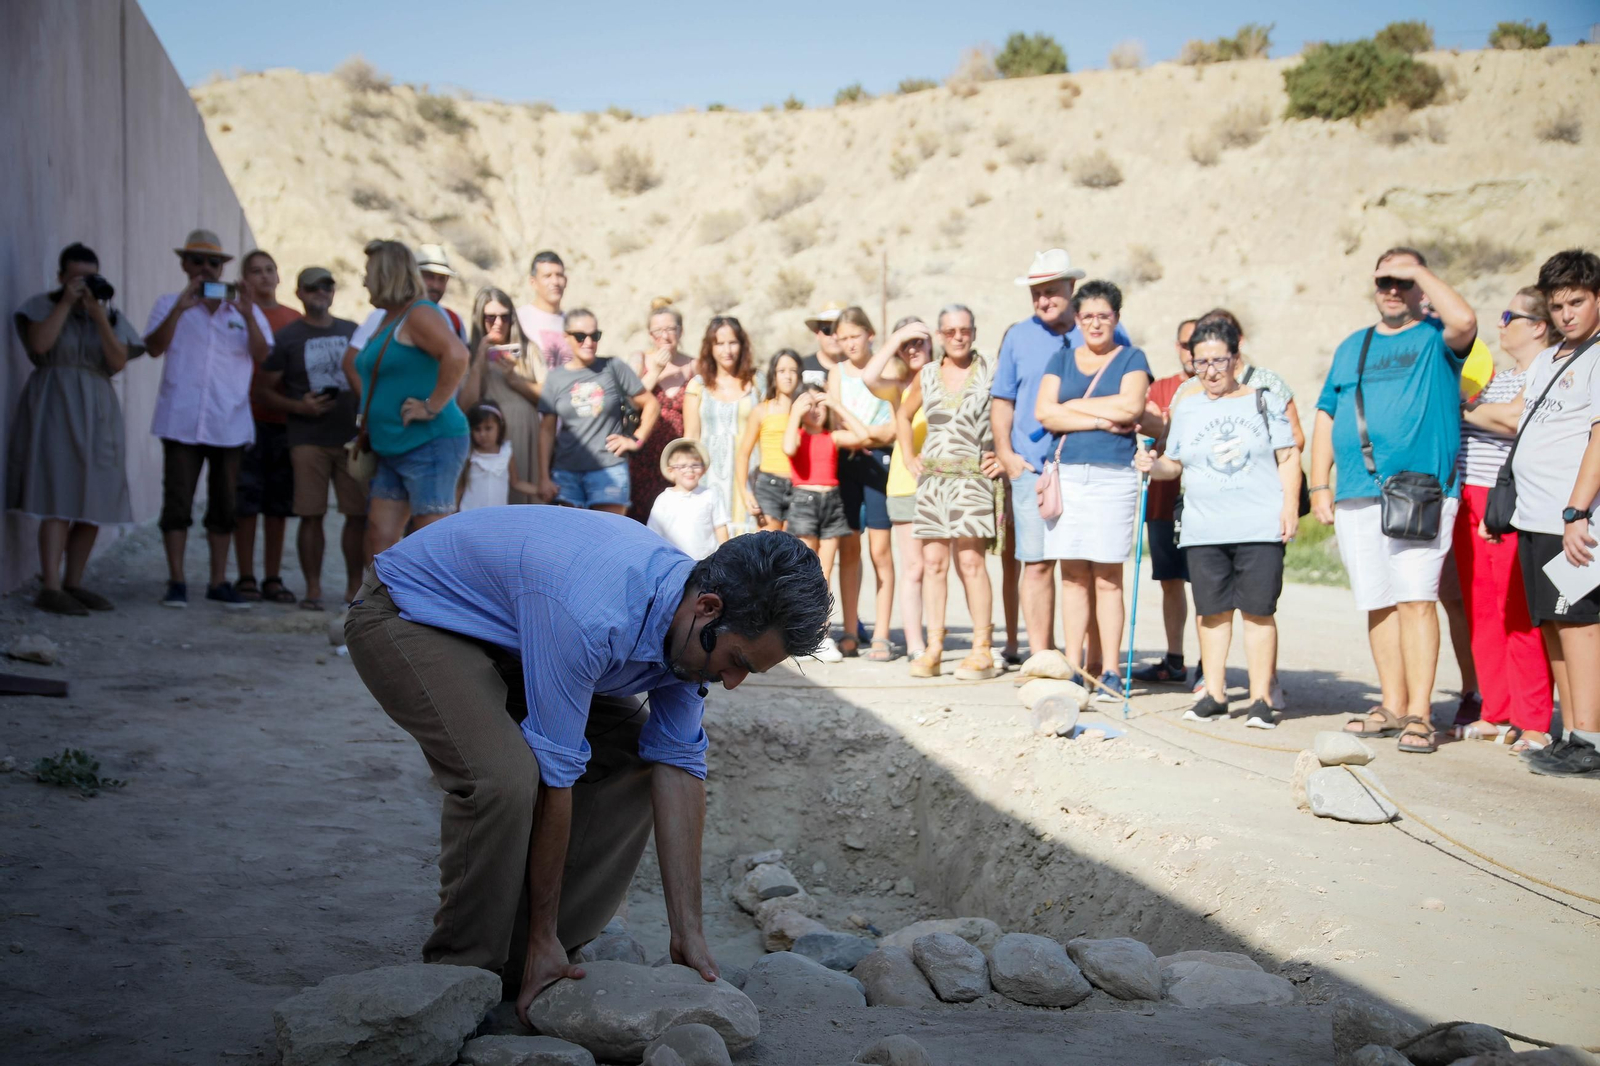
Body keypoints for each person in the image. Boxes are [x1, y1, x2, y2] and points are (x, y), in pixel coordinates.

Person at [343, 509, 830, 1016]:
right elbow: (555, 777)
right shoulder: (594, 612)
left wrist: (688, 933)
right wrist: (540, 933)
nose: (732, 682)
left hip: (517, 628)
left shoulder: (690, 624)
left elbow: (678, 765)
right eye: (738, 662)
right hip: (414, 614)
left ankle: (537, 958)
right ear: (708, 607)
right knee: (505, 779)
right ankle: (461, 975)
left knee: (633, 758)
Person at [1312, 248, 1477, 755]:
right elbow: (1327, 414)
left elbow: (1465, 320)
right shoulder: (1353, 346)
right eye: (1384, 279)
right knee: (1378, 601)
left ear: (1420, 287)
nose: (1392, 288)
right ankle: (1391, 703)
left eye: (1402, 281)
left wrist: (1420, 272)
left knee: (1416, 598)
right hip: (1358, 492)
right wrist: (1320, 484)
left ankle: (1420, 715)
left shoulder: (1435, 340)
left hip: (1419, 491)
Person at [1136, 317, 1300, 728]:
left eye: (1219, 361)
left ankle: (1261, 698)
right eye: (1200, 362)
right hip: (1203, 527)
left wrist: (1290, 507)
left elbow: (1289, 456)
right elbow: (1173, 465)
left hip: (1258, 525)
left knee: (1259, 611)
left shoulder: (1265, 400)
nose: (1210, 371)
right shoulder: (1186, 406)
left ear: (1236, 359)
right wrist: (1151, 465)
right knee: (1212, 613)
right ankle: (1214, 693)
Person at [992, 249, 1132, 664]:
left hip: (1090, 467)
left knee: (1088, 569)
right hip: (1034, 468)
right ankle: (1041, 658)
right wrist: (1007, 455)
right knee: (1036, 565)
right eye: (1036, 294)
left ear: (1072, 290)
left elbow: (1128, 395)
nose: (1043, 301)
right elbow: (1003, 401)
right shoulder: (1018, 336)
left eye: (1051, 292)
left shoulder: (1107, 335)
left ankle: (1089, 661)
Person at [1502, 250, 1600, 778]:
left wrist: (1576, 509)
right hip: (1535, 516)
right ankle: (1570, 733)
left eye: (1577, 302)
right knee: (1553, 624)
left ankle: (1592, 737)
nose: (1567, 314)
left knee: (1581, 623)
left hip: (1574, 519)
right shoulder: (1549, 359)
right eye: (1558, 305)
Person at [8, 242, 144, 615]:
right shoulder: (43, 306)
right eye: (75, 278)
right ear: (61, 277)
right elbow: (38, 344)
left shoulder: (109, 317)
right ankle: (50, 586)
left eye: (90, 277)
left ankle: (74, 582)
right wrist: (66, 304)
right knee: (58, 494)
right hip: (55, 402)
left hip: (99, 410)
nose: (84, 285)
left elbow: (117, 362)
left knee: (96, 499)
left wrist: (98, 316)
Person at [1450, 286, 1557, 751]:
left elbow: (1517, 420)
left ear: (1537, 326)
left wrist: (1468, 409)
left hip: (1508, 499)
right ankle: (1496, 709)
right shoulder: (1494, 377)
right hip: (1469, 495)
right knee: (1481, 608)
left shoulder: (1547, 371)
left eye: (1509, 315)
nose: (1499, 324)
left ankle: (1532, 718)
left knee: (1517, 609)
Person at [1034, 279, 1151, 702]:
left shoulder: (1133, 357)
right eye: (1088, 317)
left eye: (1104, 315)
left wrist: (1070, 410)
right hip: (1068, 477)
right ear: (1077, 320)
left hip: (1113, 477)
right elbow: (1044, 413)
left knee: (1108, 576)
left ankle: (1112, 670)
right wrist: (1102, 418)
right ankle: (1075, 666)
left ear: (1116, 318)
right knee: (1073, 577)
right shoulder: (1060, 358)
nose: (1096, 323)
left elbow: (1132, 407)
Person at [144, 228, 274, 609]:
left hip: (228, 424)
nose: (205, 268)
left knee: (223, 507)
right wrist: (180, 309)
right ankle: (176, 581)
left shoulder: (242, 310)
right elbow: (153, 348)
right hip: (180, 422)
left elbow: (263, 354)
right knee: (177, 503)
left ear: (223, 268)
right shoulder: (169, 303)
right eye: (197, 261)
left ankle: (219, 581)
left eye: (213, 262)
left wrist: (248, 314)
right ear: (184, 264)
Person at [898, 304, 1004, 681]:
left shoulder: (990, 370)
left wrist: (1003, 454)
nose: (958, 337)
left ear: (973, 332)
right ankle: (934, 648)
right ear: (940, 336)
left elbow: (1010, 412)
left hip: (974, 478)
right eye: (950, 331)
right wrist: (910, 456)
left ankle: (982, 651)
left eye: (965, 330)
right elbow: (902, 413)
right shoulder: (927, 374)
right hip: (934, 482)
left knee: (972, 563)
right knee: (933, 564)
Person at [351, 240, 472, 558]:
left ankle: (438, 609)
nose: (364, 281)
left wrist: (431, 405)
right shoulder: (388, 317)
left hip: (429, 443)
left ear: (385, 275)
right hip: (392, 446)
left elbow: (457, 355)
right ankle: (382, 608)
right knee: (380, 536)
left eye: (369, 273)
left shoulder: (419, 313)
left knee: (432, 539)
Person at [253, 266, 364, 611]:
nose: (321, 291)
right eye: (312, 286)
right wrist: (298, 406)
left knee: (357, 515)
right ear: (298, 293)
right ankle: (313, 590)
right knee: (310, 515)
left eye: (327, 285)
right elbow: (262, 391)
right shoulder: (287, 337)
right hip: (307, 438)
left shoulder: (353, 332)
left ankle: (353, 591)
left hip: (350, 438)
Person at [829, 307, 905, 661]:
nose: (849, 344)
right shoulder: (836, 374)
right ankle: (848, 628)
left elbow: (892, 429)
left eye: (854, 336)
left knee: (880, 550)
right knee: (849, 550)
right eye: (842, 338)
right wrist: (867, 436)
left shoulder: (887, 369)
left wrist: (864, 435)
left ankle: (883, 633)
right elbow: (835, 432)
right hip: (845, 466)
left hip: (881, 464)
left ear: (870, 334)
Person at [784, 385, 876, 664]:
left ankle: (821, 635)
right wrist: (796, 412)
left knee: (825, 573)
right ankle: (799, 635)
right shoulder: (797, 435)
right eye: (809, 405)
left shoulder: (832, 436)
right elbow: (788, 448)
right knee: (806, 571)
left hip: (832, 502)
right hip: (805, 501)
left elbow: (864, 436)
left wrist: (836, 405)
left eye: (819, 405)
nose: (815, 410)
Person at [231, 250, 302, 604]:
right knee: (245, 502)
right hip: (245, 420)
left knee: (278, 505)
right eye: (255, 271)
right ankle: (245, 576)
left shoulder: (293, 319)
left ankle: (272, 577)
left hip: (285, 422)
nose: (263, 276)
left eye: (269, 270)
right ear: (244, 279)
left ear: (279, 276)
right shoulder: (233, 315)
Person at [536, 308, 659, 514]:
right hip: (566, 473)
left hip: (609, 469)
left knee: (609, 537)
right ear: (566, 337)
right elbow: (546, 431)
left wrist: (635, 440)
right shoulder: (555, 378)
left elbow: (651, 404)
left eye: (595, 336)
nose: (589, 342)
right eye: (580, 336)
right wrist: (543, 477)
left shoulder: (613, 367)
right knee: (567, 540)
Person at [1130, 318, 1197, 684]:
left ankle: (1209, 665)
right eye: (1186, 344)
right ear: (1177, 347)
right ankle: (1175, 659)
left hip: (1204, 501)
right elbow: (1148, 429)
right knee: (1170, 580)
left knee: (1206, 583)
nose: (1192, 352)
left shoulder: (1218, 388)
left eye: (1198, 343)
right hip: (1163, 501)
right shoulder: (1161, 388)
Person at [866, 317, 936, 666]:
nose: (914, 349)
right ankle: (915, 644)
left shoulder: (942, 380)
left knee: (939, 565)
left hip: (943, 484)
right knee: (914, 567)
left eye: (920, 341)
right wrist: (897, 338)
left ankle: (935, 638)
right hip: (905, 484)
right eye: (908, 344)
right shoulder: (896, 387)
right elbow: (868, 377)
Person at [458, 286, 545, 505]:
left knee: (522, 499)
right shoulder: (468, 355)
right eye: (490, 317)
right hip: (486, 437)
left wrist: (515, 379)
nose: (498, 323)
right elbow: (465, 405)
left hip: (525, 436)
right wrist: (479, 361)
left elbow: (547, 398)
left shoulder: (529, 350)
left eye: (504, 317)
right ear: (480, 318)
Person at [684, 316, 762, 536]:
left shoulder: (758, 382)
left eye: (733, 342)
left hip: (750, 478)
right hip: (709, 479)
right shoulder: (697, 386)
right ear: (710, 347)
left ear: (742, 344)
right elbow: (691, 438)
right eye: (719, 343)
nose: (727, 350)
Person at [626, 298, 696, 523]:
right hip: (643, 455)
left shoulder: (694, 365)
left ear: (681, 331)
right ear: (649, 335)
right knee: (641, 518)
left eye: (670, 329)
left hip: (680, 458)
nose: (665, 336)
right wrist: (655, 370)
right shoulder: (640, 359)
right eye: (658, 331)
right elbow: (631, 401)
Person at [346, 244, 470, 361]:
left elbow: (460, 360)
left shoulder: (453, 319)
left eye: (442, 279)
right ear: (415, 275)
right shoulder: (382, 315)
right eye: (429, 276)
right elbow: (350, 362)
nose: (435, 285)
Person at [736, 350, 803, 532]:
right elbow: (743, 455)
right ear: (773, 375)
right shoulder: (761, 411)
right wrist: (745, 492)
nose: (788, 376)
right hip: (769, 486)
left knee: (795, 550)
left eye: (793, 371)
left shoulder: (806, 411)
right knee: (768, 548)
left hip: (800, 487)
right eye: (782, 371)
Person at [648, 438, 730, 560]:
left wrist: (727, 557)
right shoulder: (664, 500)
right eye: (682, 466)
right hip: (673, 562)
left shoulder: (710, 495)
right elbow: (653, 534)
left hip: (705, 564)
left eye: (695, 465)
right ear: (671, 471)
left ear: (703, 469)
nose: (689, 470)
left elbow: (720, 528)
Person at [458, 404, 542, 511]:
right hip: (470, 513)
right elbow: (460, 487)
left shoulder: (506, 453)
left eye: (488, 428)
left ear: (500, 427)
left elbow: (516, 482)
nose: (482, 434)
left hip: (497, 515)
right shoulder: (470, 455)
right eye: (477, 429)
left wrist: (539, 491)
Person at [517, 250, 571, 369]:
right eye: (547, 276)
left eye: (559, 275)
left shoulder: (572, 323)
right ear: (533, 282)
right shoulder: (519, 319)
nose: (555, 282)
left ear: (566, 281)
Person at [800, 301, 845, 388]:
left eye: (839, 330)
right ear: (817, 333)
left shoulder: (860, 368)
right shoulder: (802, 367)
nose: (834, 337)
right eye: (827, 330)